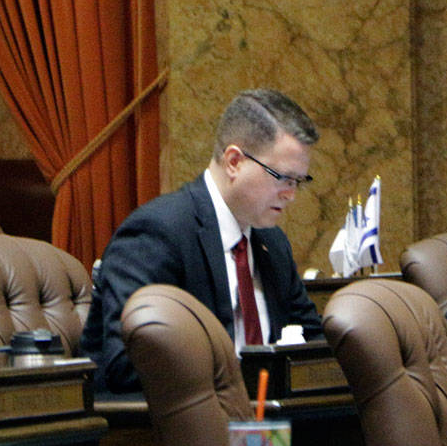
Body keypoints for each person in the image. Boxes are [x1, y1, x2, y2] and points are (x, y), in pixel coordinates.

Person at [81, 88, 325, 392]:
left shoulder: (271, 243)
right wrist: (232, 382)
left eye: (298, 182)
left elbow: (313, 344)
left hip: (265, 428)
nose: (290, 194)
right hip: (178, 429)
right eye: (282, 178)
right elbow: (127, 364)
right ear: (234, 161)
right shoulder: (158, 232)